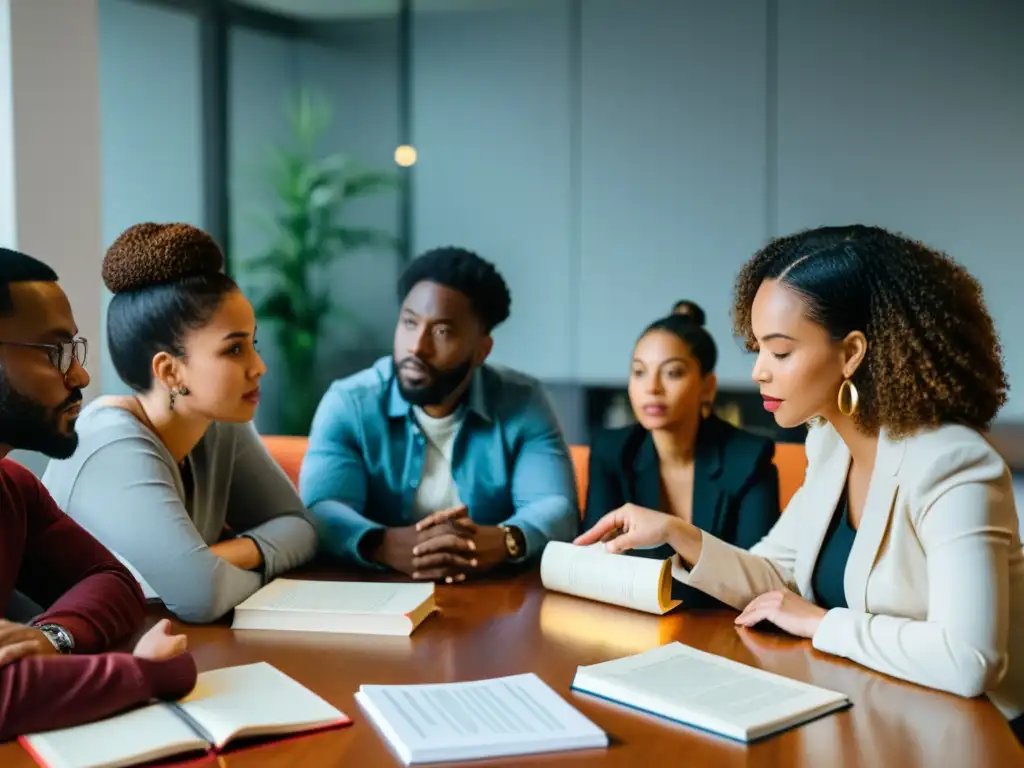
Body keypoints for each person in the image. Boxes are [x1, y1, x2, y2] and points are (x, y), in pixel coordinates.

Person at [577, 225, 1024, 743]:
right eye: (757, 351)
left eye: (781, 352)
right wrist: (679, 534)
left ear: (851, 352)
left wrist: (819, 622)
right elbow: (777, 577)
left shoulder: (953, 464)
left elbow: (970, 660)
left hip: (972, 734)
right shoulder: (828, 444)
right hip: (871, 712)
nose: (761, 373)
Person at [43, 224, 318, 623]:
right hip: (56, 665)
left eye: (253, 344)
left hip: (154, 646)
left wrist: (220, 557)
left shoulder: (218, 423)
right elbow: (201, 596)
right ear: (170, 371)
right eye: (235, 349)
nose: (259, 367)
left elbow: (302, 528)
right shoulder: (109, 442)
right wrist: (220, 568)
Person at [0, 246, 195, 739]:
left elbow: (110, 579)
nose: (80, 376)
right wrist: (150, 675)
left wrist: (51, 638)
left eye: (75, 352)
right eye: (54, 353)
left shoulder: (12, 487)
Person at [301, 246, 578, 582]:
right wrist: (383, 545)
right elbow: (322, 508)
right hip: (378, 593)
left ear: (481, 350)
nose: (417, 346)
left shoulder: (523, 402)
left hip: (492, 601)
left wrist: (508, 540)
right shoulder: (350, 403)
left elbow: (556, 506)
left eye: (442, 331)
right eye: (409, 322)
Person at [582, 310, 779, 601]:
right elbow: (596, 563)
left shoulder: (749, 458)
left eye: (672, 372)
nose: (652, 388)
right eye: (639, 372)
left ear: (707, 387)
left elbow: (761, 582)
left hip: (722, 627)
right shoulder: (611, 452)